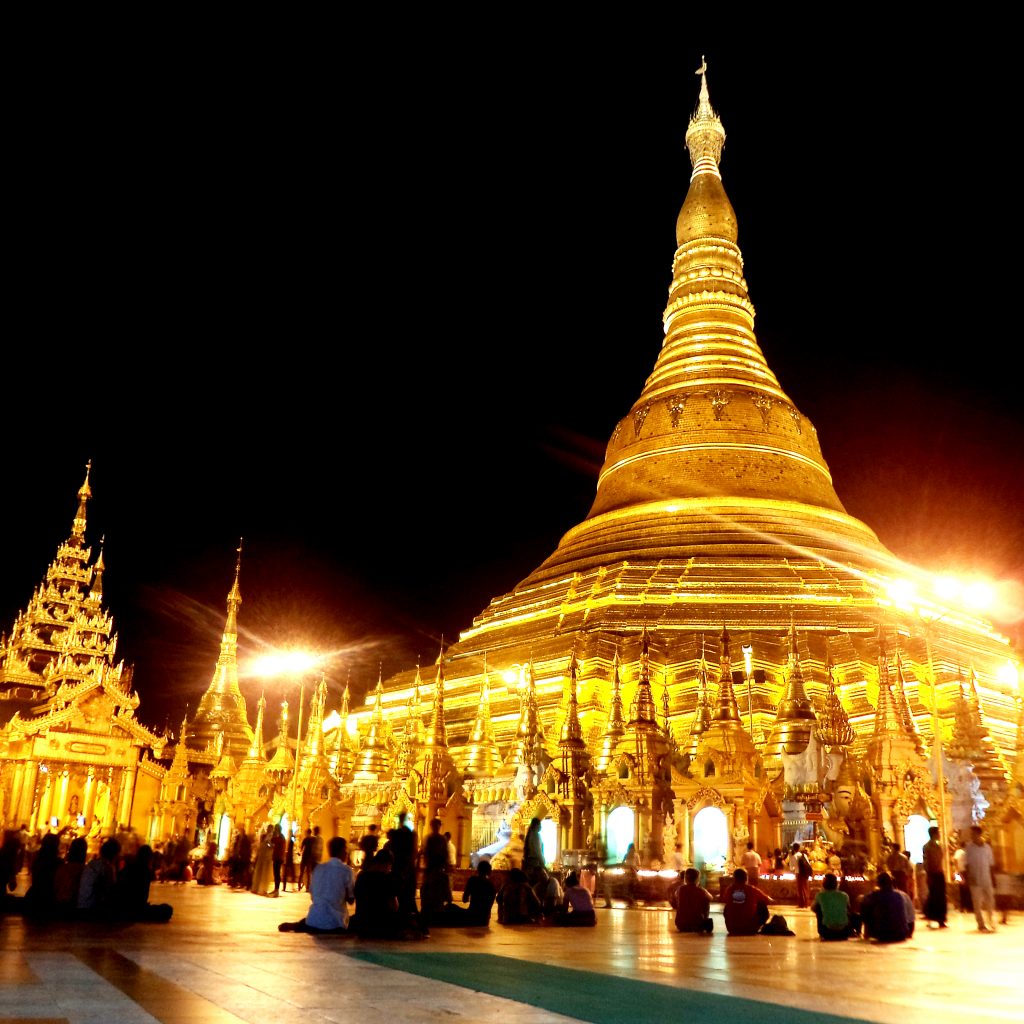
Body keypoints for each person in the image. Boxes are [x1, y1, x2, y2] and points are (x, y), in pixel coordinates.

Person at [279, 837, 355, 934]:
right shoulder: (346, 871)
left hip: (313, 920)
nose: (347, 853)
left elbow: (313, 895)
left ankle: (299, 925)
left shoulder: (319, 869)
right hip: (336, 924)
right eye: (346, 849)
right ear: (342, 851)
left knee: (314, 918)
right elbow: (351, 900)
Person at [350, 849, 408, 938]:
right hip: (382, 927)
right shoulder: (387, 880)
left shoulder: (361, 877)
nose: (390, 870)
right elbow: (394, 906)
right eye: (390, 866)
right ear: (386, 864)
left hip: (363, 927)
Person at [114, 845, 173, 922]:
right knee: (167, 910)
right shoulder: (145, 871)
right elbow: (142, 897)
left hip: (119, 906)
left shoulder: (129, 867)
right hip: (134, 909)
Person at [432, 860, 497, 927]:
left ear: (478, 869)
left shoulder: (473, 880)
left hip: (471, 917)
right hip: (484, 921)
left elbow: (464, 900)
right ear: (489, 871)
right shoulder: (492, 886)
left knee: (450, 907)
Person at [861, 872, 914, 942]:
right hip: (901, 934)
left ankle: (867, 932)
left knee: (865, 905)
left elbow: (864, 904)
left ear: (878, 884)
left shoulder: (875, 895)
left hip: (883, 934)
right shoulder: (898, 895)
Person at [385, 812, 418, 923]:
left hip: (399, 866)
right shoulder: (410, 834)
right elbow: (414, 851)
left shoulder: (398, 834)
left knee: (400, 892)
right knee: (407, 893)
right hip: (406, 866)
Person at [964, 824, 996, 932]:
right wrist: (968, 878)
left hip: (987, 878)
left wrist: (993, 878)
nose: (971, 836)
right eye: (971, 834)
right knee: (977, 903)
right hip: (975, 879)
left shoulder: (987, 848)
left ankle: (990, 921)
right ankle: (981, 924)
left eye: (973, 834)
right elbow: (967, 864)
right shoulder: (969, 848)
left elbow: (991, 864)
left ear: (979, 834)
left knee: (990, 901)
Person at [722, 868, 773, 935]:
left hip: (732, 928)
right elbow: (768, 901)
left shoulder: (729, 890)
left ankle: (734, 924)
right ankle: (755, 926)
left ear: (734, 879)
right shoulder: (752, 889)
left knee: (726, 907)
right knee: (762, 904)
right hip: (750, 929)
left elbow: (724, 899)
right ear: (746, 878)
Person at [78, 838, 121, 917]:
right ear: (114, 854)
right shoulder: (106, 867)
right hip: (94, 908)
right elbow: (109, 890)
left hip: (82, 904)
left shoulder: (92, 863)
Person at [419, 817, 452, 919]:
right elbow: (425, 852)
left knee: (436, 887)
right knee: (429, 887)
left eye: (437, 826)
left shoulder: (441, 839)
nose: (436, 828)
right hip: (431, 866)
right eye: (434, 826)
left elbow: (445, 853)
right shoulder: (430, 838)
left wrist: (446, 865)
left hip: (437, 866)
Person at [812, 872, 859, 940]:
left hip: (826, 932)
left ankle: (825, 927)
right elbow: (849, 908)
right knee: (854, 913)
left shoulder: (820, 895)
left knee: (818, 907)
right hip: (844, 932)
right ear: (837, 884)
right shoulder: (844, 895)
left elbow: (813, 908)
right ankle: (856, 932)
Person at [669, 867, 713, 934]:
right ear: (698, 879)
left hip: (681, 925)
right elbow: (711, 898)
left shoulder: (680, 889)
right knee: (706, 901)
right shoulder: (701, 890)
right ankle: (704, 920)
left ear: (685, 879)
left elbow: (674, 898)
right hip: (697, 924)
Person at [53, 837, 87, 914]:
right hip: (76, 906)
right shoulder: (85, 871)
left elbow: (56, 885)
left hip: (60, 904)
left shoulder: (62, 868)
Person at [921, 826, 947, 927]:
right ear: (934, 834)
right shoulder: (927, 847)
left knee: (941, 896)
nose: (939, 835)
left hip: (939, 873)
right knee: (933, 896)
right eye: (938, 833)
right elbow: (926, 862)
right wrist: (928, 875)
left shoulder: (939, 846)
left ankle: (941, 919)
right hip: (932, 874)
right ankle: (931, 917)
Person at [250, 826, 275, 896]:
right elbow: (267, 844)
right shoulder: (265, 836)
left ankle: (261, 889)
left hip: (266, 855)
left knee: (263, 873)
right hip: (263, 855)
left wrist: (268, 844)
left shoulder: (270, 836)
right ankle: (258, 888)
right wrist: (269, 844)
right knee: (261, 872)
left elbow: (269, 845)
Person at [789, 843, 811, 908]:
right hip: (805, 873)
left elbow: (791, 867)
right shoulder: (804, 855)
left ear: (793, 848)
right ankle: (807, 903)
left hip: (798, 873)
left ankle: (801, 904)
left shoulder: (794, 856)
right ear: (799, 848)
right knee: (805, 888)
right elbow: (808, 864)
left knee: (800, 889)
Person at [522, 818, 545, 884]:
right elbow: (538, 851)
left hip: (529, 862)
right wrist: (543, 862)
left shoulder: (530, 835)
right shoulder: (536, 835)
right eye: (540, 825)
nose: (541, 827)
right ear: (536, 825)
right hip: (535, 863)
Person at [952, 840, 972, 913]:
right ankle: (968, 907)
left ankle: (962, 907)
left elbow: (955, 860)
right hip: (965, 872)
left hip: (959, 872)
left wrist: (956, 870)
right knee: (967, 890)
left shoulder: (958, 852)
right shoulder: (966, 852)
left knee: (961, 889)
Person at [271, 824, 287, 896]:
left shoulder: (280, 837)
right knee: (276, 873)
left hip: (278, 857)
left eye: (275, 829)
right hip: (278, 857)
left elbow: (272, 841)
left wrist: (273, 835)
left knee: (277, 874)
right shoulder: (281, 837)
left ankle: (276, 889)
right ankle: (276, 889)